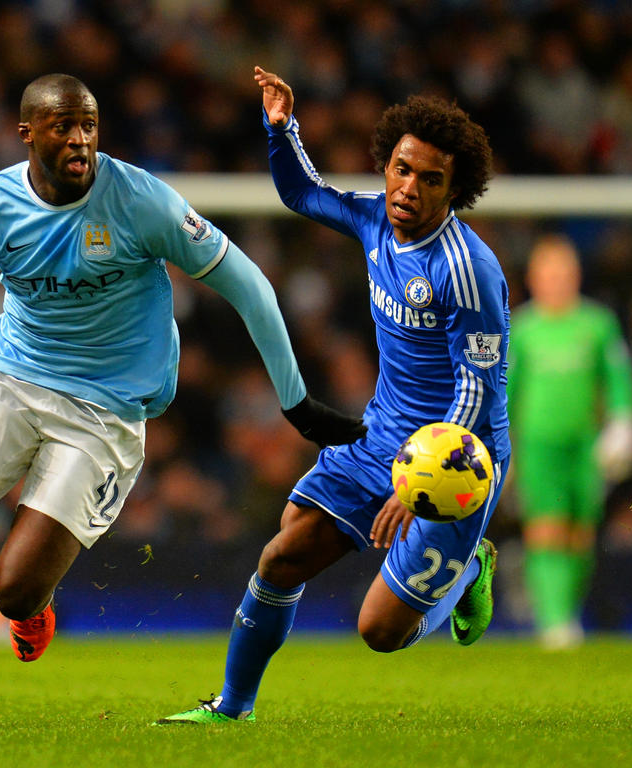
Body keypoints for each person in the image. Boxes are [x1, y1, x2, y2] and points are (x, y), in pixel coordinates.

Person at [0, 73, 364, 731]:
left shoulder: (140, 200)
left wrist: (296, 403)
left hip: (104, 413)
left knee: (12, 590)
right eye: (63, 126)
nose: (79, 140)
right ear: (27, 134)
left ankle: (31, 608)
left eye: (90, 126)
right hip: (9, 380)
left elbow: (251, 287)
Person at [157, 67, 510, 725]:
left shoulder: (469, 272)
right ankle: (233, 708)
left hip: (458, 458)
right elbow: (303, 192)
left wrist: (423, 480)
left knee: (380, 630)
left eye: (429, 179)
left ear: (454, 189)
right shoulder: (376, 220)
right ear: (387, 164)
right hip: (380, 436)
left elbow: (477, 388)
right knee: (284, 553)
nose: (409, 187)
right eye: (402, 169)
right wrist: (282, 127)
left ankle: (469, 570)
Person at [507, 234, 632, 650]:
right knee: (545, 529)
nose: (557, 280)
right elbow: (506, 391)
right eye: (549, 272)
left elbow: (617, 377)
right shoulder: (523, 328)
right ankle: (554, 621)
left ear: (576, 275)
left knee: (580, 533)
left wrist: (623, 422)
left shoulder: (597, 324)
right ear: (534, 278)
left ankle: (566, 611)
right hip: (538, 445)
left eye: (564, 272)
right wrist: (497, 445)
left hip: (586, 444)